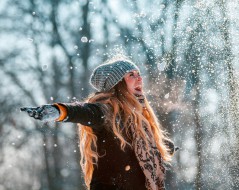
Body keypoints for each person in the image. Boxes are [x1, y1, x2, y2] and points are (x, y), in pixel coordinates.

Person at [21, 57, 176, 190]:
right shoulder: (107, 111)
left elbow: (140, 149)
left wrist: (162, 146)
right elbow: (85, 111)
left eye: (138, 74)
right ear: (118, 83)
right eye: (131, 75)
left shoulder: (139, 119)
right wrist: (59, 111)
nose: (139, 78)